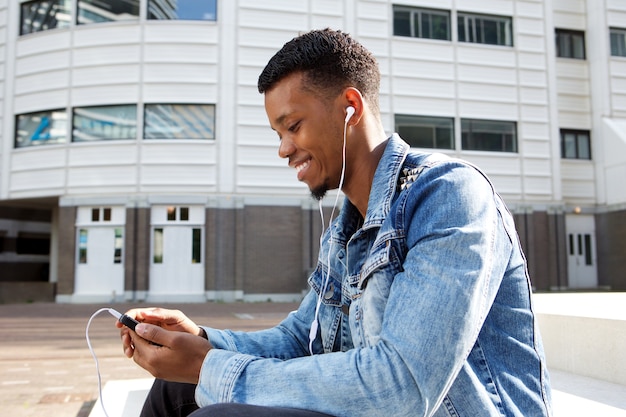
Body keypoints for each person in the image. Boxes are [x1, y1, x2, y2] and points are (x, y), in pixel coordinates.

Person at [118, 28, 553, 417]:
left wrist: (208, 365)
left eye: (293, 126)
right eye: (277, 134)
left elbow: (401, 388)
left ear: (350, 107)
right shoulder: (346, 229)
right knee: (175, 387)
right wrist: (200, 340)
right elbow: (296, 341)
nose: (284, 150)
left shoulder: (449, 196)